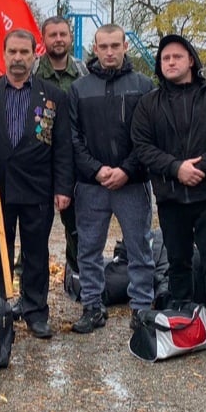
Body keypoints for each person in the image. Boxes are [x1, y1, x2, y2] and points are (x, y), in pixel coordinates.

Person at [130, 34, 206, 359]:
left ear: (191, 60)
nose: (170, 63)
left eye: (177, 57)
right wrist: (176, 168)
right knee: (177, 263)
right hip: (171, 199)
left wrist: (202, 168)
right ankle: (182, 321)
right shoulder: (149, 104)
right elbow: (142, 146)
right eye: (165, 58)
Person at [0, 29, 73, 339]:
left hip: (38, 187)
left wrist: (62, 188)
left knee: (36, 252)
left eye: (24, 52)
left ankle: (35, 311)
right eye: (13, 52)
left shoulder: (53, 96)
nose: (18, 58)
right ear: (3, 55)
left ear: (35, 54)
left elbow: (62, 146)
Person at [68, 24, 156, 334]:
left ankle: (142, 307)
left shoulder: (144, 86)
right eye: (103, 46)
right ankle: (92, 306)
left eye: (115, 46)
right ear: (94, 48)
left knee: (139, 248)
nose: (109, 52)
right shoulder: (79, 89)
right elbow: (73, 138)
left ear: (125, 47)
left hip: (131, 183)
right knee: (89, 249)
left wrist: (127, 170)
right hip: (92, 185)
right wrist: (96, 169)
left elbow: (148, 136)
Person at [32, 16, 88, 281]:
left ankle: (76, 276)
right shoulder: (31, 72)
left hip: (75, 160)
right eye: (52, 35)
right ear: (43, 39)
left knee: (77, 226)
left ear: (71, 38)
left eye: (63, 34)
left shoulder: (83, 72)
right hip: (39, 160)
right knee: (35, 229)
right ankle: (29, 283)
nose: (58, 39)